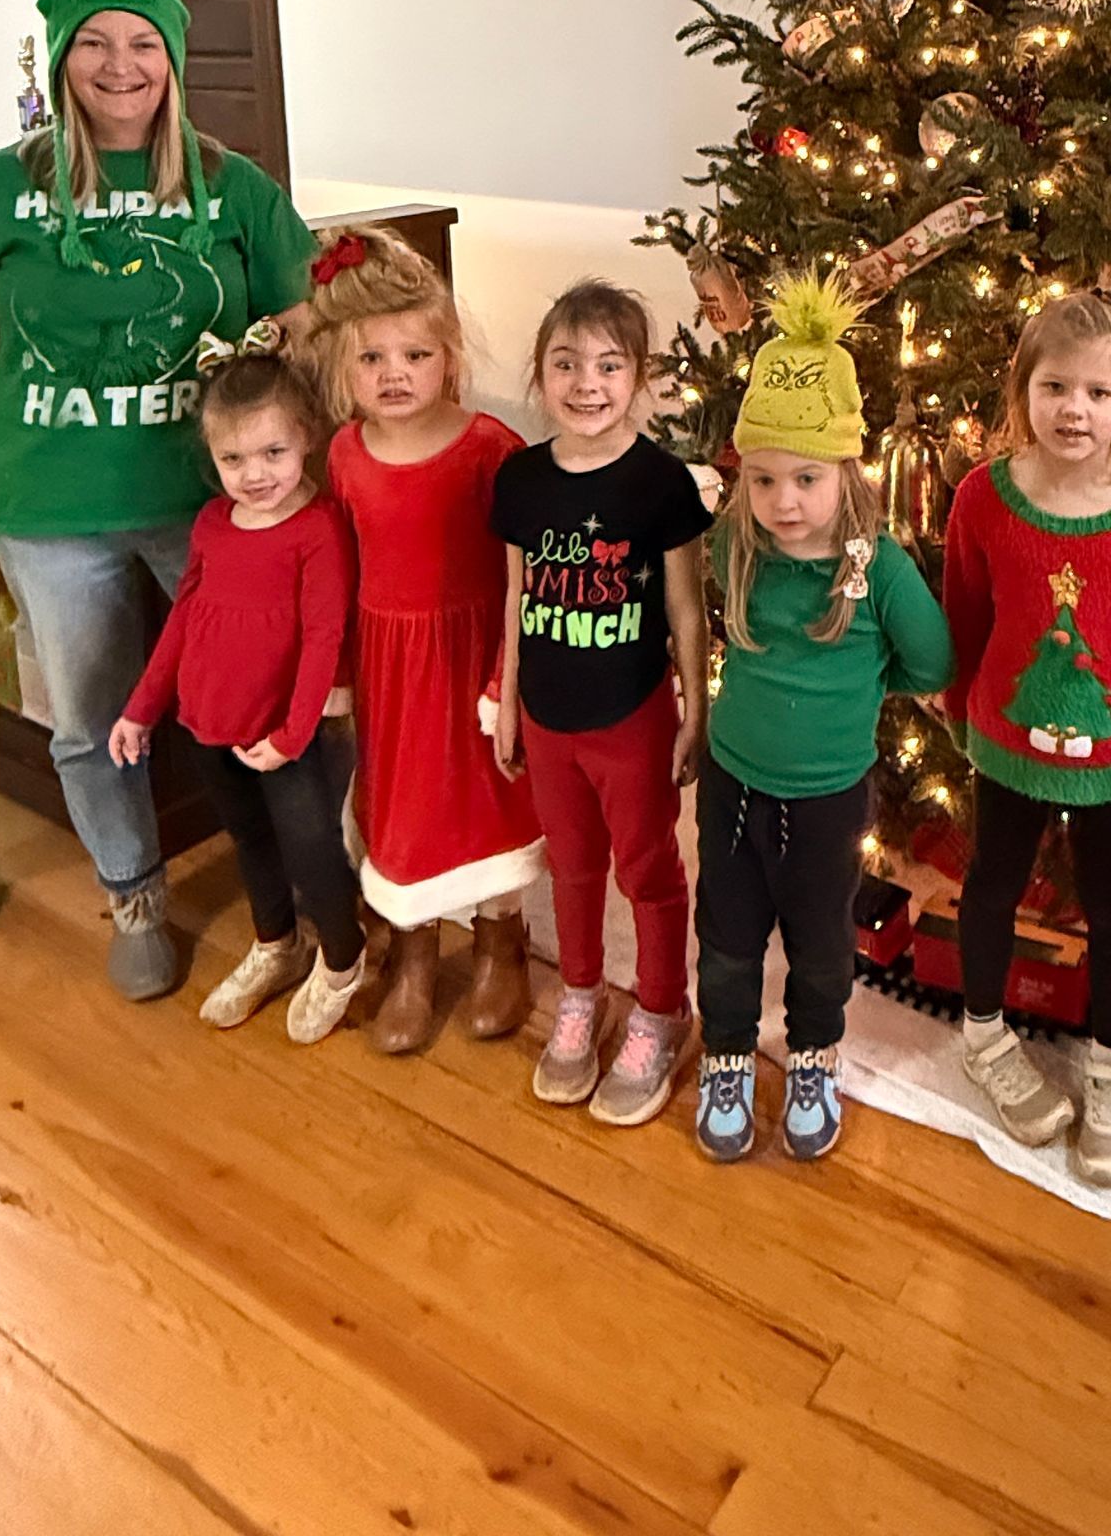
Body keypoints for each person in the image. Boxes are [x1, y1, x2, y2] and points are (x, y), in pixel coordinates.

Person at [0, 0, 319, 997]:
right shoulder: (2, 187)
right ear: (61, 58)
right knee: (92, 719)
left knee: (256, 695)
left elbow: (303, 327)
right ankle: (135, 893)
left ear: (173, 60)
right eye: (93, 43)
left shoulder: (232, 185)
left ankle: (302, 893)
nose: (119, 65)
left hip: (212, 501)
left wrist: (305, 470)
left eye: (143, 43)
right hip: (48, 505)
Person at [943, 288, 1111, 1188]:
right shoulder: (983, 498)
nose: (1075, 410)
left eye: (1097, 393)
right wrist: (959, 709)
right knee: (994, 881)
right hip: (1006, 743)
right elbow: (964, 613)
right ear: (1023, 389)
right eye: (1055, 387)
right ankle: (984, 1035)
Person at [695, 274, 953, 1165]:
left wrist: (865, 681)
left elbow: (931, 663)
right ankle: (727, 1054)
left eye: (807, 478)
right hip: (732, 783)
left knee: (818, 942)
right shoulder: (736, 545)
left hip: (828, 800)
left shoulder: (879, 569)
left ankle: (813, 1056)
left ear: (847, 472)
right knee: (727, 935)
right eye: (764, 479)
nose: (785, 501)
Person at [311, 227, 544, 1053]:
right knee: (403, 803)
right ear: (342, 367)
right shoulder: (345, 455)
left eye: (415, 355)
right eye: (372, 358)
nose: (395, 374)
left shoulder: (490, 451)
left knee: (487, 798)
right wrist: (338, 673)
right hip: (391, 666)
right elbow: (340, 569)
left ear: (449, 358)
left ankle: (500, 938)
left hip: (473, 656)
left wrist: (509, 681)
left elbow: (529, 577)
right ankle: (412, 944)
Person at [492, 280, 712, 1125]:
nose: (587, 383)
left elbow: (686, 610)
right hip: (548, 721)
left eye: (609, 365)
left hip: (632, 719)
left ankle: (661, 1007)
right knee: (573, 864)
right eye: (567, 364)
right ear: (540, 373)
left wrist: (695, 714)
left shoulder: (661, 484)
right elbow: (515, 596)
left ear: (640, 377)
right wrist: (508, 701)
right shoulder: (520, 480)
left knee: (647, 867)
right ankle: (582, 994)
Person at [110, 335, 365, 1043]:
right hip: (207, 722)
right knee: (250, 839)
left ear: (306, 437)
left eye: (273, 453)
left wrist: (292, 736)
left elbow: (324, 640)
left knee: (311, 849)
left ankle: (343, 957)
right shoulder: (212, 523)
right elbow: (184, 618)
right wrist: (141, 708)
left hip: (283, 733)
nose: (254, 475)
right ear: (213, 456)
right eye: (234, 459)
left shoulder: (318, 530)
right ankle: (276, 943)